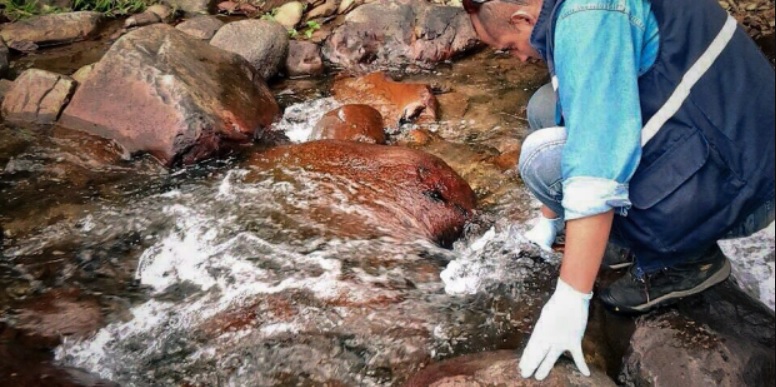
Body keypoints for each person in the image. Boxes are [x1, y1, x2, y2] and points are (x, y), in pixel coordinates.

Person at [462, 0, 775, 381]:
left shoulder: (588, 16)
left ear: (523, 18)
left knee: (542, 159)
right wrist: (548, 219)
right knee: (545, 107)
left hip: (744, 181)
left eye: (510, 47)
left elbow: (594, 169)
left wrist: (571, 297)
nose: (520, 59)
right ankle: (632, 236)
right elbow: (579, 111)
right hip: (739, 142)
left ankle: (685, 261)